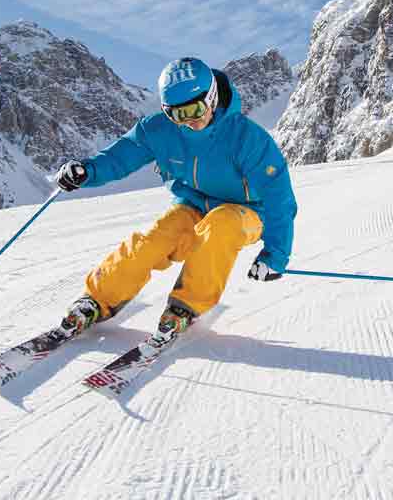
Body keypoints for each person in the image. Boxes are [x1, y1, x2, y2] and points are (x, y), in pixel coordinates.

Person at [49, 56, 297, 337]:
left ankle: (186, 306)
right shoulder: (158, 130)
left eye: (195, 110)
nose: (189, 121)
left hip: (248, 211)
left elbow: (279, 197)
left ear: (212, 98)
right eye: (178, 115)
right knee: (153, 239)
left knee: (220, 225)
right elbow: (120, 158)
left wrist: (275, 255)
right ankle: (97, 299)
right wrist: (87, 171)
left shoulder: (247, 138)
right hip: (192, 205)